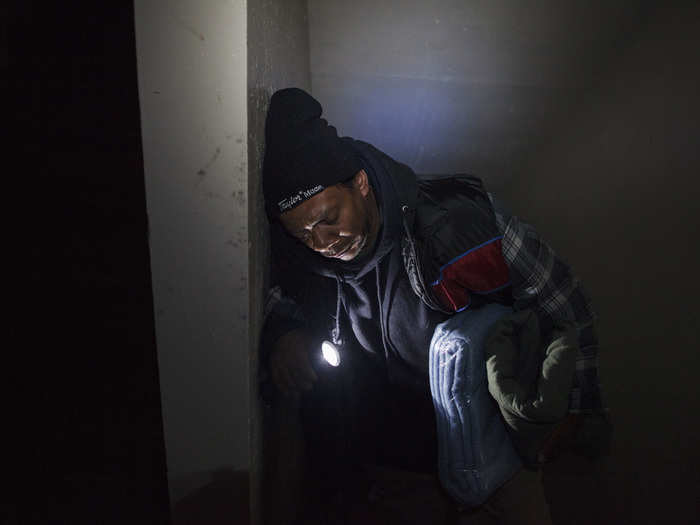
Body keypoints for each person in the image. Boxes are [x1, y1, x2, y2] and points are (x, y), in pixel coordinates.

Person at [260, 87, 610, 524]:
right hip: (397, 473)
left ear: (361, 184)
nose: (322, 242)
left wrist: (576, 409)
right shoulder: (304, 259)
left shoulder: (458, 228)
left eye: (329, 218)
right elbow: (278, 298)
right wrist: (285, 334)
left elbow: (564, 301)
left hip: (499, 460)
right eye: (304, 233)